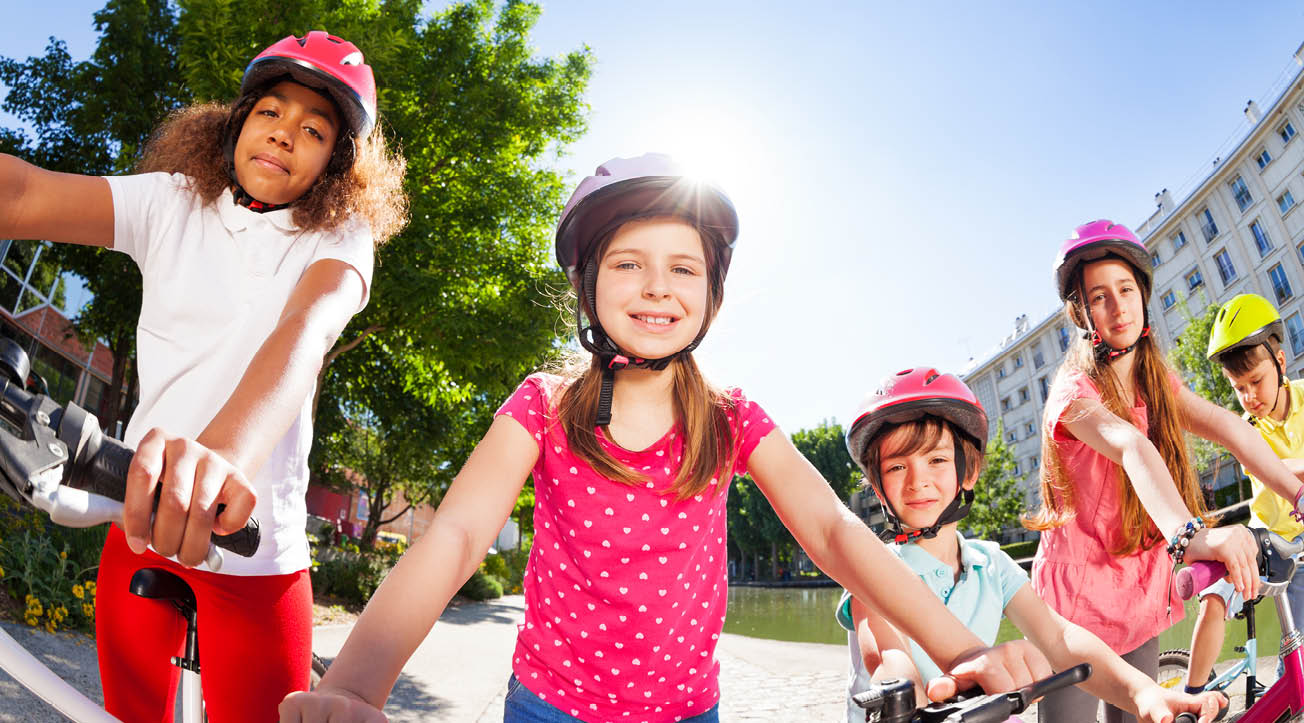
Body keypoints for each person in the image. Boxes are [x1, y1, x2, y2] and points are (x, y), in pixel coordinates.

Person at [280, 154, 1052, 723]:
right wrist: (356, 683)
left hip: (688, 710)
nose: (657, 286)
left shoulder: (730, 416)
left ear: (711, 294)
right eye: (629, 263)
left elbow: (832, 529)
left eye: (683, 268)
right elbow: (453, 536)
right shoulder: (543, 406)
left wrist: (960, 648)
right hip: (551, 704)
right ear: (586, 286)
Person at [0, 30, 406, 722]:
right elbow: (23, 191)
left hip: (258, 561)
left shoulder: (337, 238)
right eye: (270, 112)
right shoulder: (173, 202)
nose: (284, 134)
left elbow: (306, 331)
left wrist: (222, 455)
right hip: (137, 526)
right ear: (237, 121)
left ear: (335, 165)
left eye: (313, 129)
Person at [1026, 220, 1304, 722]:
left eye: (1126, 289)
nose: (1118, 307)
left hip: (1135, 586)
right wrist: (1192, 537)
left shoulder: (1157, 382)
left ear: (1143, 293)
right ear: (1082, 311)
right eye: (1101, 296)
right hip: (1077, 602)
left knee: (1141, 715)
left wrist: (1295, 493)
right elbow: (1131, 447)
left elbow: (1228, 427)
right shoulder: (1073, 394)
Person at [836, 366, 1224, 723]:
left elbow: (1060, 637)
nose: (917, 480)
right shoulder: (870, 567)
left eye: (936, 460)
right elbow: (889, 657)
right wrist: (906, 693)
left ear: (968, 471)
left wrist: (1142, 691)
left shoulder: (990, 563)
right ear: (878, 487)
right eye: (897, 467)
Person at [1184, 293, 1304, 693]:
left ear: (1281, 364)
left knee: (1296, 673)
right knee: (1214, 599)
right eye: (1238, 388)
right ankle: (1191, 697)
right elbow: (1267, 469)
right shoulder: (1245, 430)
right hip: (1268, 544)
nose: (1249, 396)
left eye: (1256, 381)